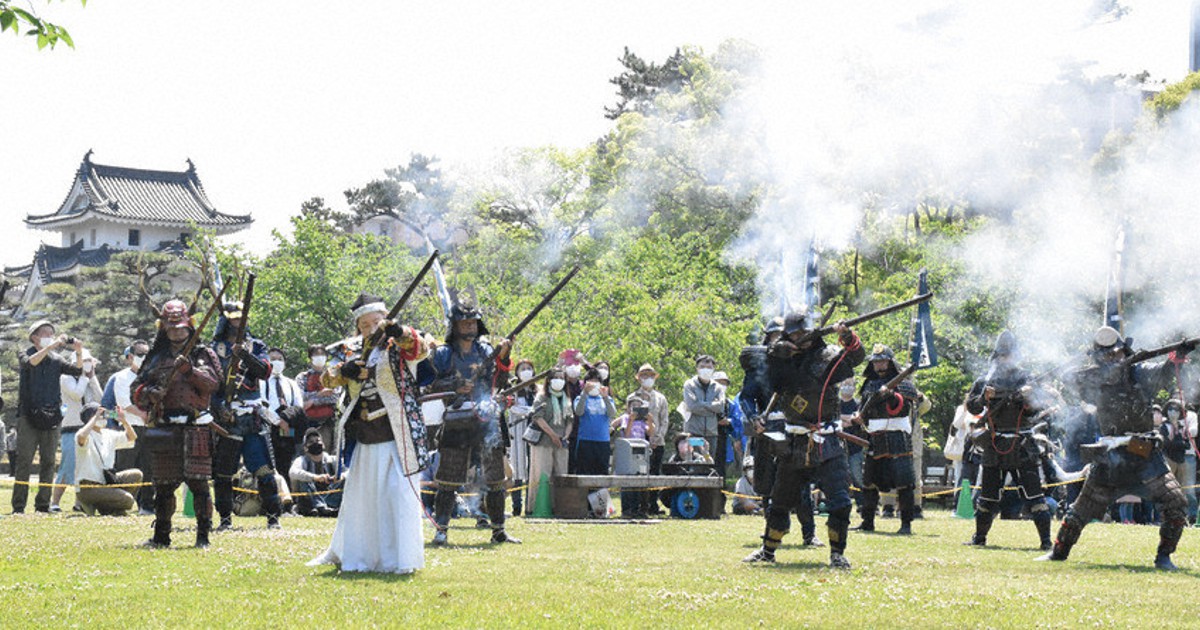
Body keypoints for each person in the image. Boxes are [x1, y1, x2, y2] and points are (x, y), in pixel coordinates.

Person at [1040, 326, 1193, 570]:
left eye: (1117, 355)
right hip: (1110, 459)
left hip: (1145, 456)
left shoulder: (1140, 372)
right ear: (1099, 358)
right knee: (1080, 511)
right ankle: (1058, 551)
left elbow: (1164, 373)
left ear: (1125, 352)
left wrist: (1178, 357)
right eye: (1108, 356)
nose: (1115, 359)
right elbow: (1072, 379)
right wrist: (1104, 369)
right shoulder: (1093, 380)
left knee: (1176, 503)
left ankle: (1164, 557)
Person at [308, 293, 432, 574]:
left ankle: (400, 560)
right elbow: (327, 377)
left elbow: (420, 350)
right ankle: (360, 557)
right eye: (365, 324)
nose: (371, 327)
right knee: (362, 500)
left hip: (397, 433)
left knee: (397, 496)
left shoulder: (398, 341)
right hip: (364, 434)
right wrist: (346, 371)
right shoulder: (351, 349)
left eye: (376, 321)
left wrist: (399, 331)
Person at [743, 311, 863, 569]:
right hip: (794, 440)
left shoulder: (828, 356)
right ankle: (768, 550)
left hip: (827, 442)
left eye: (802, 333)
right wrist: (778, 352)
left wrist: (846, 336)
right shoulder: (780, 360)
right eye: (794, 334)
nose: (800, 338)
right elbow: (762, 371)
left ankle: (837, 554)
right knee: (779, 502)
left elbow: (854, 358)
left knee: (840, 502)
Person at [428, 297, 520, 545]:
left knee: (495, 480)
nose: (469, 326)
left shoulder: (487, 351)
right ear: (455, 326)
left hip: (486, 420)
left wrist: (504, 356)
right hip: (456, 422)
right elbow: (429, 385)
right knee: (447, 480)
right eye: (464, 322)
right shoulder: (443, 354)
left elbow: (499, 383)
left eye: (472, 322)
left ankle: (498, 530)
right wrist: (454, 386)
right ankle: (442, 530)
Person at [132, 299, 222, 547]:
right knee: (163, 486)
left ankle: (203, 536)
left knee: (199, 485)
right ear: (164, 328)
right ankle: (162, 535)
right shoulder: (156, 357)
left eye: (181, 328)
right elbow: (135, 389)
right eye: (171, 329)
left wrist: (190, 371)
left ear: (189, 327)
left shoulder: (203, 354)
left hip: (196, 427)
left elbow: (214, 384)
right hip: (165, 427)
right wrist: (149, 393)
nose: (176, 332)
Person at [964, 332, 1055, 550]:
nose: (1005, 359)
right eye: (1002, 355)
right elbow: (972, 407)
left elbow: (1039, 407)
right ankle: (979, 537)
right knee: (988, 496)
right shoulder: (985, 381)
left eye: (1008, 355)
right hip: (995, 443)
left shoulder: (1026, 379)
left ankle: (1046, 541)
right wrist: (983, 397)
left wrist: (1027, 396)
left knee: (1034, 495)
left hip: (1022, 442)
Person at [210, 301, 281, 531]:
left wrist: (245, 355)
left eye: (241, 319)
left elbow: (264, 371)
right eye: (234, 319)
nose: (238, 323)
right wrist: (220, 407)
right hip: (228, 418)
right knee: (223, 473)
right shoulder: (213, 350)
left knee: (264, 471)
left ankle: (273, 518)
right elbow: (210, 385)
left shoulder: (257, 346)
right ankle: (224, 520)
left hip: (252, 418)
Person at [13, 320, 84, 514]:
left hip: (52, 415)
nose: (50, 337)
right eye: (45, 333)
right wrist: (52, 346)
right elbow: (31, 363)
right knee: (24, 461)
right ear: (34, 337)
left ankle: (42, 505)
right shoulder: (25, 353)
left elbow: (78, 370)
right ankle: (18, 506)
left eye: (52, 334)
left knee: (49, 461)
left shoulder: (56, 359)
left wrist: (78, 351)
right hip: (28, 415)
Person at [855, 344, 921, 535]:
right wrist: (859, 417)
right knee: (869, 482)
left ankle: (906, 523)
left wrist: (891, 395)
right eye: (876, 362)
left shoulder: (904, 384)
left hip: (897, 437)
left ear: (890, 362)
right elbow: (865, 411)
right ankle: (867, 521)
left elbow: (902, 408)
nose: (879, 365)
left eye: (883, 361)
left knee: (904, 482)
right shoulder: (868, 384)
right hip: (875, 437)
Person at [51, 348, 103, 512]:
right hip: (71, 427)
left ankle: (79, 503)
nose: (87, 365)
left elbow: (101, 398)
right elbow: (76, 394)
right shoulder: (65, 378)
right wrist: (83, 377)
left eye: (89, 362)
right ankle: (55, 503)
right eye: (84, 362)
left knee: (85, 467)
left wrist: (92, 377)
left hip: (89, 428)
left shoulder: (88, 379)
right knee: (68, 466)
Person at [107, 340, 153, 514]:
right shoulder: (122, 377)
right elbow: (124, 403)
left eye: (147, 354)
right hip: (129, 428)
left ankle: (147, 505)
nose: (144, 358)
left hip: (148, 428)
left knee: (148, 467)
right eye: (140, 354)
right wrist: (142, 414)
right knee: (125, 466)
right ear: (131, 356)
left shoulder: (151, 376)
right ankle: (118, 504)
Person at [75, 402, 142, 516]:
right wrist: (95, 418)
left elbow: (132, 438)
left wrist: (124, 421)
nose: (103, 417)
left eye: (104, 413)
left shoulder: (108, 434)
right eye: (100, 414)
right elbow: (81, 438)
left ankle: (109, 508)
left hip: (107, 482)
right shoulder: (85, 434)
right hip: (88, 487)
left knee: (136, 474)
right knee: (128, 500)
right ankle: (95, 504)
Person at [527, 367, 572, 516]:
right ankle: (537, 508)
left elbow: (570, 420)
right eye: (556, 377)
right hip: (544, 441)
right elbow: (537, 417)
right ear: (549, 380)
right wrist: (552, 435)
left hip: (562, 442)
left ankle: (559, 507)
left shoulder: (566, 399)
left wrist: (565, 435)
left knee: (561, 474)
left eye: (562, 377)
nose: (559, 380)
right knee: (542, 474)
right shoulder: (541, 397)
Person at [261, 347, 307, 486]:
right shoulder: (262, 382)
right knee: (272, 462)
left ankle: (292, 495)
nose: (277, 362)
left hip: (289, 429)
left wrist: (287, 420)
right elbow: (261, 406)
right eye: (273, 359)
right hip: (270, 428)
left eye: (280, 359)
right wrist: (279, 421)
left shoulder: (291, 384)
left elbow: (298, 405)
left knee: (290, 459)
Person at [628, 364, 670, 515]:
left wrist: (658, 437)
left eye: (650, 375)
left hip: (657, 441)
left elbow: (664, 420)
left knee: (654, 473)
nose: (648, 378)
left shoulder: (661, 398)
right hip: (638, 439)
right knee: (638, 473)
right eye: (644, 375)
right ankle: (637, 506)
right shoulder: (632, 397)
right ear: (639, 378)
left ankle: (653, 504)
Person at [505, 358, 538, 516]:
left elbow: (540, 407)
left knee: (532, 467)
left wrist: (532, 410)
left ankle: (530, 506)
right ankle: (516, 506)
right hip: (518, 430)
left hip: (535, 431)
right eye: (522, 368)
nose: (526, 371)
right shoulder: (513, 389)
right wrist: (530, 410)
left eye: (529, 368)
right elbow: (513, 409)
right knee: (517, 468)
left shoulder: (537, 389)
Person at [1158, 398, 1198, 523]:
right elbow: (1166, 444)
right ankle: (1165, 517)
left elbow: (1188, 441)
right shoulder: (1164, 426)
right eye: (1170, 409)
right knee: (1168, 489)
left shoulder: (1186, 422)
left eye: (1176, 410)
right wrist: (1178, 441)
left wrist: (1177, 440)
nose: (1173, 412)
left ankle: (1191, 517)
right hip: (1168, 458)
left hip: (1185, 458)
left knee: (1188, 489)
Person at [573, 367, 618, 475]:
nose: (593, 385)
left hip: (603, 441)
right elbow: (579, 412)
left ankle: (600, 492)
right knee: (584, 472)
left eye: (596, 382)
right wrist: (584, 393)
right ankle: (585, 493)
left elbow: (612, 413)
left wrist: (605, 397)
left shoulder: (607, 399)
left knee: (601, 473)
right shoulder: (580, 398)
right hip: (585, 440)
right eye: (591, 382)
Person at [290, 428, 343, 516]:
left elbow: (349, 471)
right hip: (310, 497)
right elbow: (293, 472)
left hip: (329, 495)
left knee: (343, 480)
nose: (316, 443)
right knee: (305, 481)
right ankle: (319, 508)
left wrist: (339, 477)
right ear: (306, 448)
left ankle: (327, 507)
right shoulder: (302, 460)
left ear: (323, 445)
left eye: (318, 440)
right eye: (311, 442)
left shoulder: (332, 460)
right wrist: (315, 477)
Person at [683, 354, 726, 460]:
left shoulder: (718, 388)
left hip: (711, 433)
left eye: (709, 368)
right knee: (694, 462)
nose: (706, 370)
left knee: (709, 463)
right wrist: (711, 407)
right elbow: (692, 406)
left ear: (713, 369)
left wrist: (701, 403)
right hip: (693, 432)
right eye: (702, 367)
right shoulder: (689, 385)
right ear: (697, 368)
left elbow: (720, 407)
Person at [299, 344, 340, 450]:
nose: (319, 356)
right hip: (307, 423)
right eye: (316, 354)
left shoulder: (334, 376)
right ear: (310, 357)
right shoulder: (302, 377)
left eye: (322, 354)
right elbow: (301, 397)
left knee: (328, 453)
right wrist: (320, 394)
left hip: (328, 422)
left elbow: (335, 397)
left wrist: (312, 402)